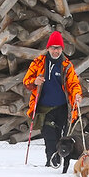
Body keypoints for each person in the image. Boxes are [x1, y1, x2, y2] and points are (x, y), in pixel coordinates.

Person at [23, 31, 83, 168]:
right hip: (44, 108)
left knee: (61, 137)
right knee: (49, 136)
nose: (55, 51)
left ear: (62, 49)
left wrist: (77, 95)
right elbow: (26, 81)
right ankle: (51, 162)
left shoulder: (66, 65)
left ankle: (59, 161)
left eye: (58, 48)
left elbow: (73, 84)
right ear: (48, 48)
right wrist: (35, 81)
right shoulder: (38, 63)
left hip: (62, 108)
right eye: (53, 47)